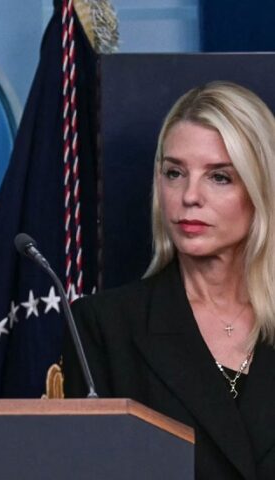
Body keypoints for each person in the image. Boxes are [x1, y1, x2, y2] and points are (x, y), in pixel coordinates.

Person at [63, 81, 275, 479]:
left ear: (261, 187)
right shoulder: (104, 326)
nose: (189, 196)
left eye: (219, 177)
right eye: (174, 173)